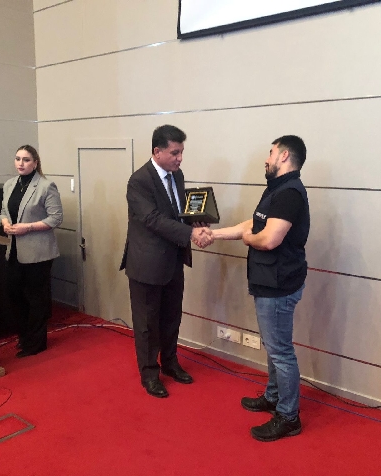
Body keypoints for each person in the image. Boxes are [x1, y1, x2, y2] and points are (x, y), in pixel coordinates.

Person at [211, 135, 310, 441]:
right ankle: (273, 397)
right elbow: (251, 225)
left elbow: (267, 239)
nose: (266, 159)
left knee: (281, 352)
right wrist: (213, 234)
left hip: (279, 285)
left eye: (270, 153)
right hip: (269, 282)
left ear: (284, 156)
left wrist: (248, 239)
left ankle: (289, 416)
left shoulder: (290, 193)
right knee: (273, 346)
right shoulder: (276, 189)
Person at [120, 125, 212, 398]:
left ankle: (170, 363)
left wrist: (196, 220)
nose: (180, 158)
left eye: (182, 152)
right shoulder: (139, 181)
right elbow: (153, 219)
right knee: (147, 324)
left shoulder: (176, 175)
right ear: (157, 151)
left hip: (173, 260)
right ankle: (150, 373)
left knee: (171, 317)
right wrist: (190, 233)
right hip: (147, 265)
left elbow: (176, 213)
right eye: (175, 153)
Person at [0, 145, 63, 358]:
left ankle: (36, 343)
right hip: (14, 250)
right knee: (15, 295)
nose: (21, 163)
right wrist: (5, 223)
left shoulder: (46, 186)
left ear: (35, 163)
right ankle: (25, 336)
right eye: (18, 158)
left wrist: (27, 227)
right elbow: (3, 212)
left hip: (38, 253)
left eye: (26, 160)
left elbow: (56, 218)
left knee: (36, 299)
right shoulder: (9, 185)